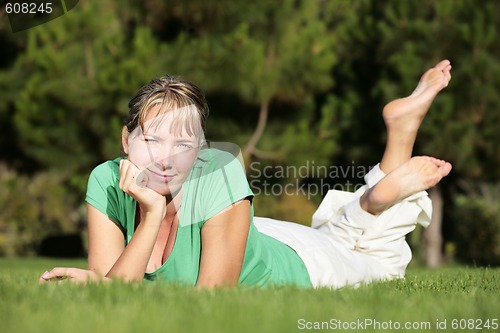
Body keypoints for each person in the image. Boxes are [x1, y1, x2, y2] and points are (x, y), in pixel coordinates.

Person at [39, 60, 452, 289]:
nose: (165, 159)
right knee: (342, 236)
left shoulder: (218, 174)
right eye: (151, 140)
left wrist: (100, 283)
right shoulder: (106, 179)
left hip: (302, 264)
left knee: (380, 267)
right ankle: (382, 174)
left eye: (183, 145)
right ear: (125, 140)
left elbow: (209, 301)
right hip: (258, 234)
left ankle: (378, 189)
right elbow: (116, 291)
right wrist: (149, 217)